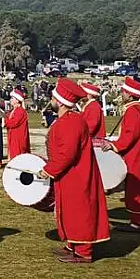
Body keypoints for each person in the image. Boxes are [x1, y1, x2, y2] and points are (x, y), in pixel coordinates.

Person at [36, 79, 109, 263]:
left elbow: (67, 154)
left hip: (76, 175)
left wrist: (49, 170)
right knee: (68, 209)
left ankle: (83, 251)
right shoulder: (68, 120)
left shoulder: (71, 122)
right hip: (68, 175)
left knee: (79, 210)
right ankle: (72, 245)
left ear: (60, 101)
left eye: (53, 97)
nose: (51, 100)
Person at [100, 76, 140, 233]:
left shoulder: (134, 111)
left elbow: (129, 136)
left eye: (124, 91)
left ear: (130, 94)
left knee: (136, 189)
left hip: (137, 156)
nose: (122, 93)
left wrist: (113, 145)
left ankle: (138, 222)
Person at [4, 87, 31, 160]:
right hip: (13, 135)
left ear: (17, 100)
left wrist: (4, 122)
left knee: (18, 153)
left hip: (18, 136)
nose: (10, 100)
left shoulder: (20, 111)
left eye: (12, 98)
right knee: (13, 151)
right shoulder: (13, 110)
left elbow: (14, 122)